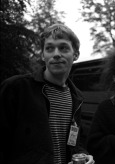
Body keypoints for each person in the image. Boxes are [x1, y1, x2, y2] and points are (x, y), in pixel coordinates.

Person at [0, 24, 94, 164]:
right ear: (43, 55)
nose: (56, 54)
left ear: (75, 54)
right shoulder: (16, 88)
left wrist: (83, 155)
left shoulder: (76, 97)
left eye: (63, 47)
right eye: (49, 48)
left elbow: (74, 143)